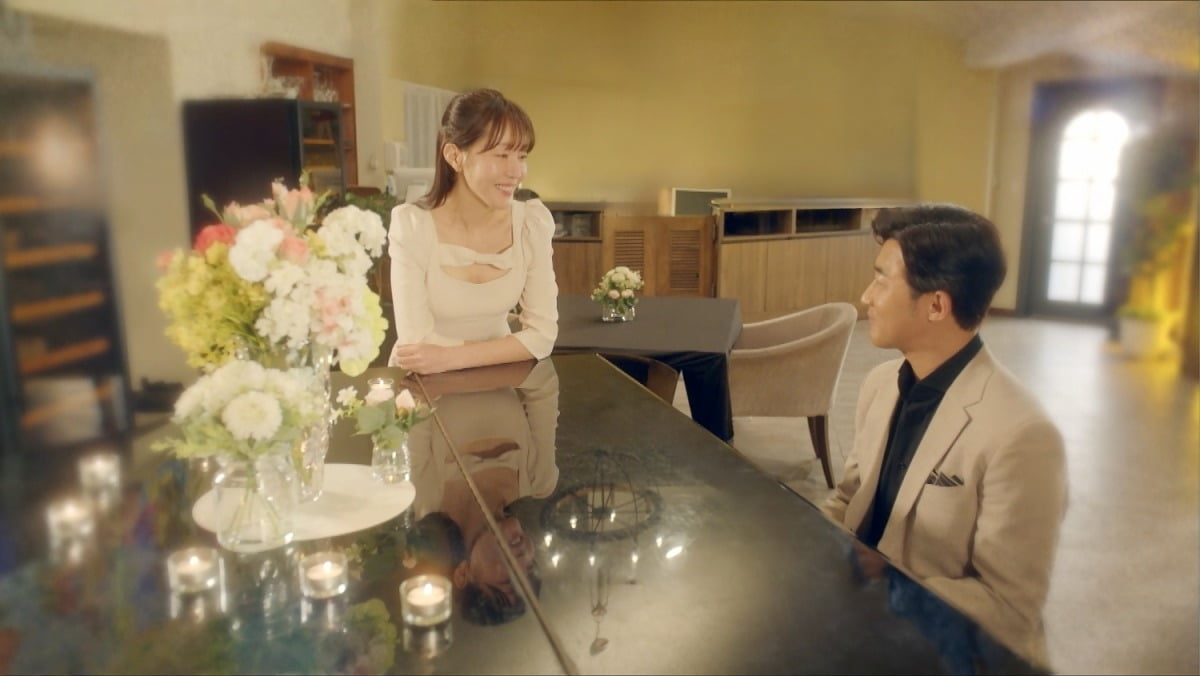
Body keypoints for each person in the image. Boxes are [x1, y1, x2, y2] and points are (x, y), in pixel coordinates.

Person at [822, 204, 1067, 665]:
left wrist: (883, 591)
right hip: (857, 626)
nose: (866, 296)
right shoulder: (879, 384)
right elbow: (849, 499)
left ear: (936, 305)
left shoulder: (1023, 434)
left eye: (881, 280)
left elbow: (1009, 609)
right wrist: (804, 547)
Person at [388, 88, 558, 374]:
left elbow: (543, 336)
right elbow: (415, 344)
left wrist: (448, 357)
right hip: (422, 386)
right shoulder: (413, 226)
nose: (516, 172)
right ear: (455, 156)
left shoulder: (531, 224)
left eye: (522, 156)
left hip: (496, 379)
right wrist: (506, 347)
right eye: (501, 155)